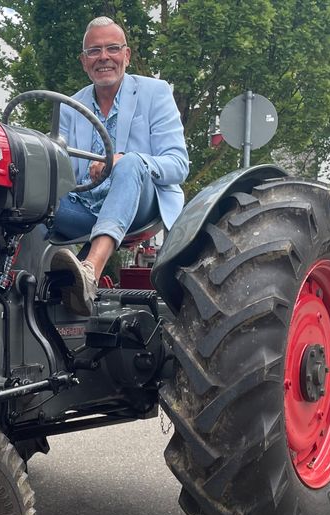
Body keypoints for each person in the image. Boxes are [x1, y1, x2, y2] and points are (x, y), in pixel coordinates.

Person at [50, 16, 189, 315]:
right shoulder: (69, 106)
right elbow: (62, 170)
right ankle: (17, 285)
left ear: (126, 55)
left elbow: (178, 165)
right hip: (85, 207)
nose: (104, 57)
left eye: (112, 48)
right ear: (83, 61)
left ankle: (90, 270)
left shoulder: (156, 92)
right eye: (94, 51)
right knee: (31, 192)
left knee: (131, 163)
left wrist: (121, 161)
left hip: (142, 202)